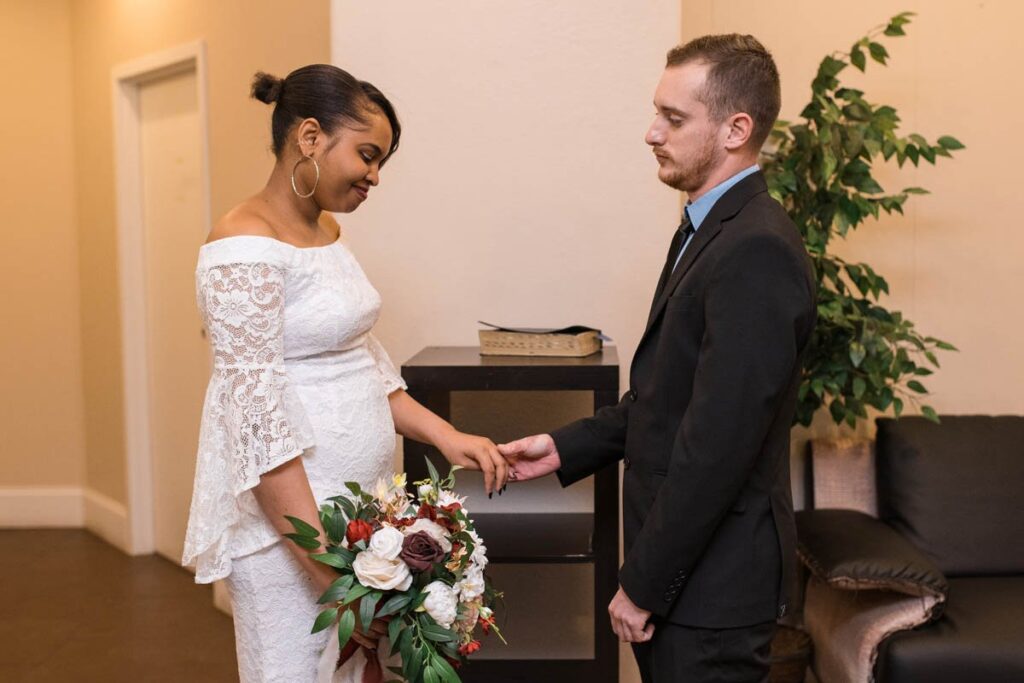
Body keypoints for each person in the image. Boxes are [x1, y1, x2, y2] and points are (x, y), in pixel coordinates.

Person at [499, 35, 816, 682]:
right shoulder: (709, 228)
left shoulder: (757, 249)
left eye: (673, 119)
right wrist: (565, 446)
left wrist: (643, 583)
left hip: (711, 591)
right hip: (691, 583)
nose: (651, 132)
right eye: (657, 113)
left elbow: (716, 446)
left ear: (736, 129)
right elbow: (667, 399)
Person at [181, 64, 509, 683]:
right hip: (293, 537)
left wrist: (444, 435)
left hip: (359, 518)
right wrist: (327, 574)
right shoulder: (241, 245)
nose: (375, 176)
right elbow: (255, 423)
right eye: (366, 154)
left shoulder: (325, 230)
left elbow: (362, 362)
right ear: (309, 138)